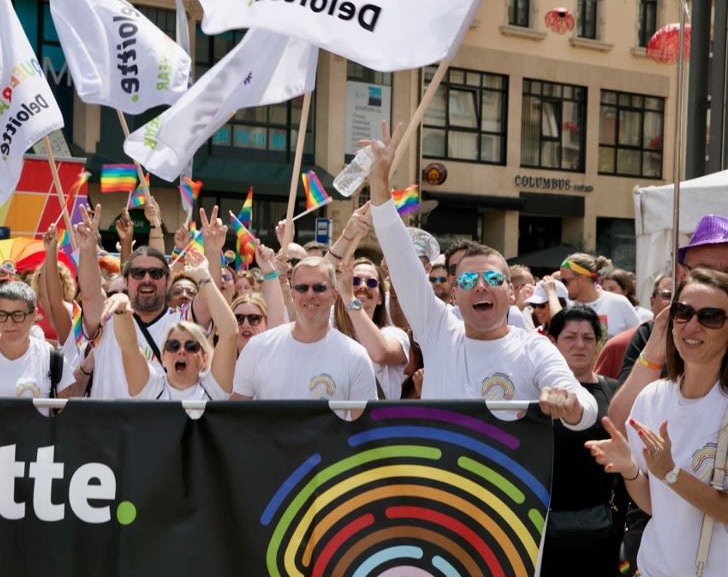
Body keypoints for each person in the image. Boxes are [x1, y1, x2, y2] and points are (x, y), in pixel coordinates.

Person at [364, 119, 597, 428]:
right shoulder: (438, 331)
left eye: (493, 279)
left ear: (511, 292)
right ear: (454, 294)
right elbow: (400, 256)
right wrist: (380, 185)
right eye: (468, 280)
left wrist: (571, 405)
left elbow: (586, 407)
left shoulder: (533, 349)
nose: (481, 286)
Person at [586, 268, 728, 577]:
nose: (692, 326)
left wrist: (672, 474)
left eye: (710, 317)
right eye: (683, 312)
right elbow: (654, 504)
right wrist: (631, 470)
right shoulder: (652, 398)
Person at [534, 307, 624, 577]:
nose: (579, 345)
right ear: (553, 342)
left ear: (598, 344)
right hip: (547, 537)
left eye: (588, 338)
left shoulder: (615, 393)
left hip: (605, 536)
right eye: (570, 337)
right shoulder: (535, 397)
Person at [74, 204, 209, 399]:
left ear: (168, 280)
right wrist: (87, 249)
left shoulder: (182, 323)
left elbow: (209, 303)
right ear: (126, 280)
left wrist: (213, 251)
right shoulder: (106, 318)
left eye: (155, 273)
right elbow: (90, 295)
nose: (147, 279)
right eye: (138, 273)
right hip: (108, 419)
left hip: (160, 419)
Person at [609, 214, 728, 431]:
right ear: (682, 274)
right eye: (704, 270)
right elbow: (619, 425)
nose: (716, 280)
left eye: (726, 272)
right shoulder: (655, 332)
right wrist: (654, 353)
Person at [232, 256, 376, 401]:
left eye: (319, 288)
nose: (310, 294)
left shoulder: (356, 357)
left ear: (334, 295)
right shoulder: (258, 348)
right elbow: (237, 411)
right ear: (293, 294)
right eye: (302, 288)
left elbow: (366, 415)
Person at [116, 252, 236, 401]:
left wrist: (203, 276)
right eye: (173, 346)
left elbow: (230, 334)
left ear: (204, 358)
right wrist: (120, 308)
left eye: (191, 346)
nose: (181, 351)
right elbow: (129, 347)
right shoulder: (152, 389)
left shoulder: (214, 388)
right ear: (163, 357)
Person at [333, 256, 408, 399]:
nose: (363, 286)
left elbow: (380, 353)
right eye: (355, 281)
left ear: (380, 298)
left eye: (371, 282)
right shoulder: (330, 332)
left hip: (376, 413)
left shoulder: (395, 335)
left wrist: (350, 298)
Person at [560, 253, 639, 342]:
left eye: (564, 281)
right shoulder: (565, 307)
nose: (563, 286)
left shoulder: (619, 303)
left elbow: (640, 339)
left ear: (581, 279)